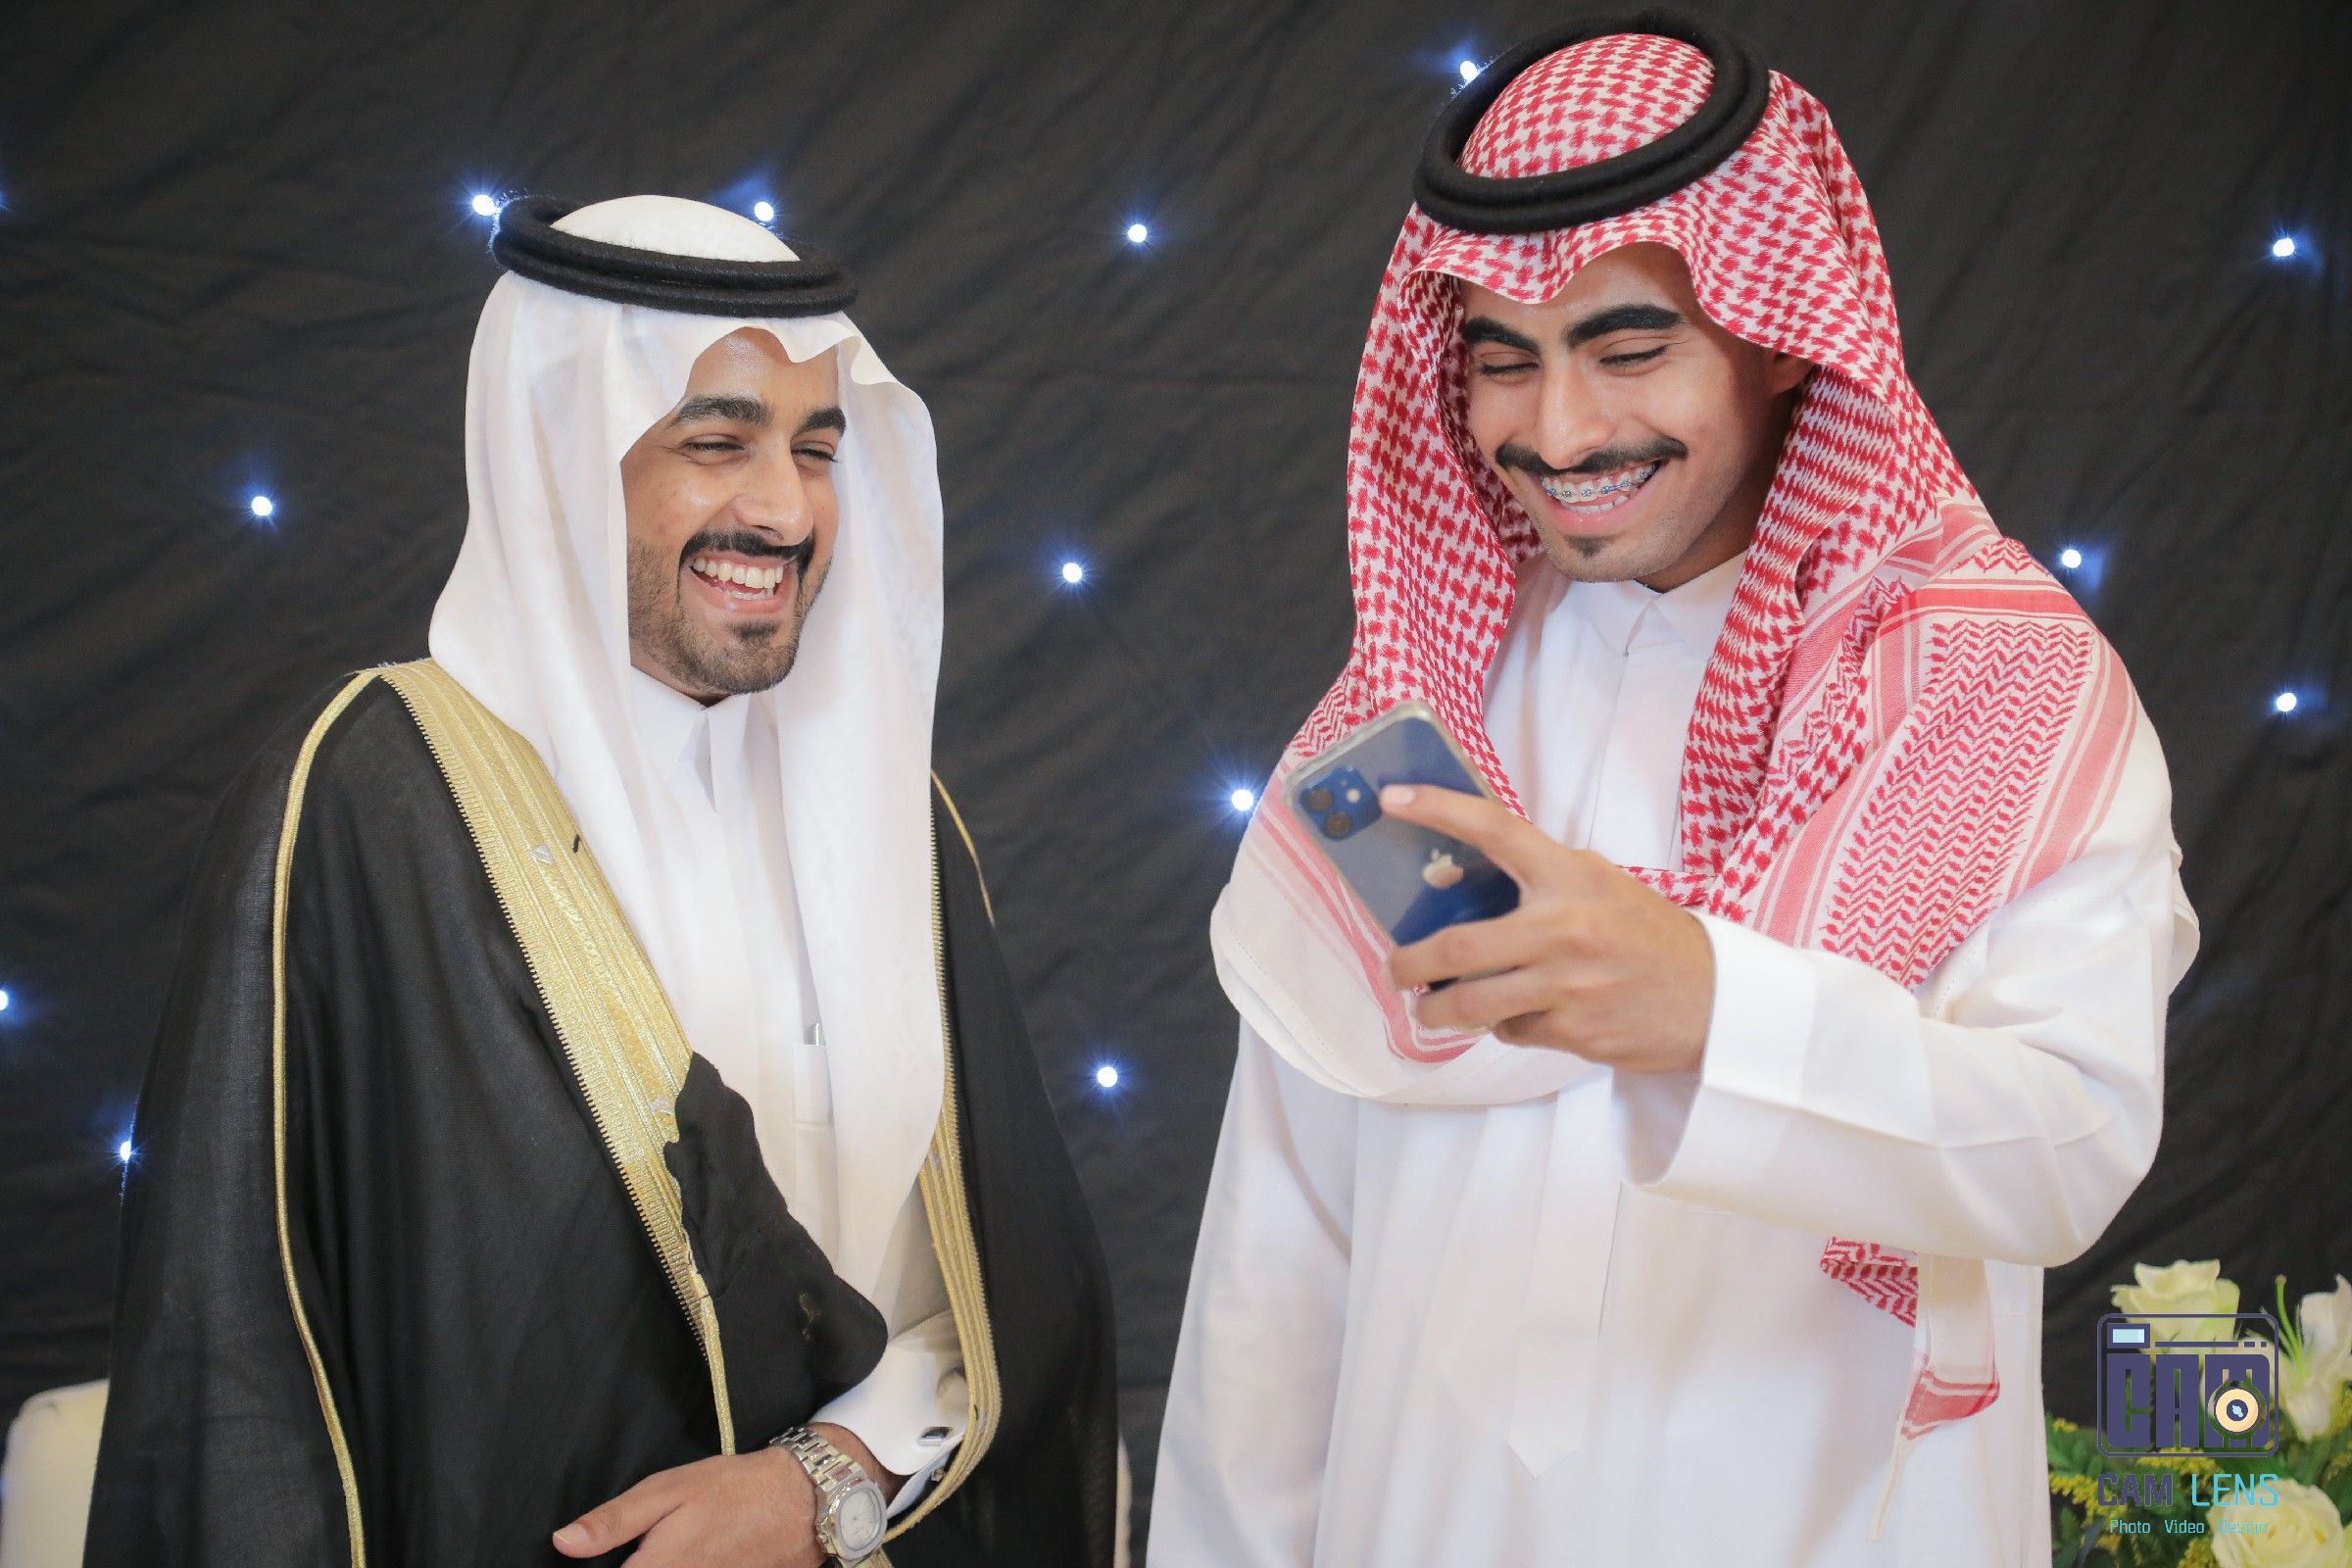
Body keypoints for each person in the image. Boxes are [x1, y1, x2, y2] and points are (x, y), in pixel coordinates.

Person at [1152, 17, 2194, 1566]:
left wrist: (1709, 1006)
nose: (1559, 431)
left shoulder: (1996, 689)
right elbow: (1277, 1267)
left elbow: (2070, 1147)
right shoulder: (1409, 715)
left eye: (1629, 349)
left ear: (1778, 335)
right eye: (1505, 360)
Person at [85, 194, 1117, 1568]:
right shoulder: (367, 802)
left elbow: (1002, 1294)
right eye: (716, 442)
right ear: (560, 455)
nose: (785, 508)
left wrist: (823, 1480)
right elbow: (233, 1354)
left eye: (816, 450)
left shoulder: (895, 816)